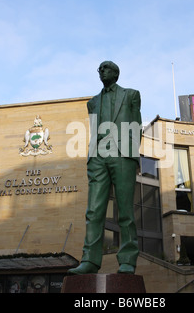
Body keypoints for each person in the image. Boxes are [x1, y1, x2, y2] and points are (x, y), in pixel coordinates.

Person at [68, 61, 142, 275]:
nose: (102, 72)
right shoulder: (92, 103)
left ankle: (128, 259)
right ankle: (90, 259)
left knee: (125, 209)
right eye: (99, 69)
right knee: (94, 210)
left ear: (116, 73)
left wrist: (133, 157)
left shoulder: (131, 95)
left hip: (122, 154)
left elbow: (136, 125)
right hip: (99, 155)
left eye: (106, 68)